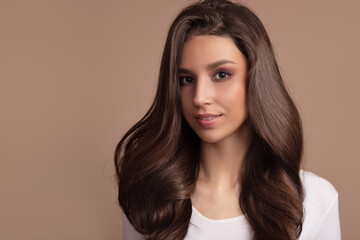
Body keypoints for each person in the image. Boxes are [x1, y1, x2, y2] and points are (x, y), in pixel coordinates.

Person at [114, 0, 341, 239]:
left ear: (256, 80)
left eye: (221, 75)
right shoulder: (151, 196)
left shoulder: (316, 201)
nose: (200, 98)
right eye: (186, 79)